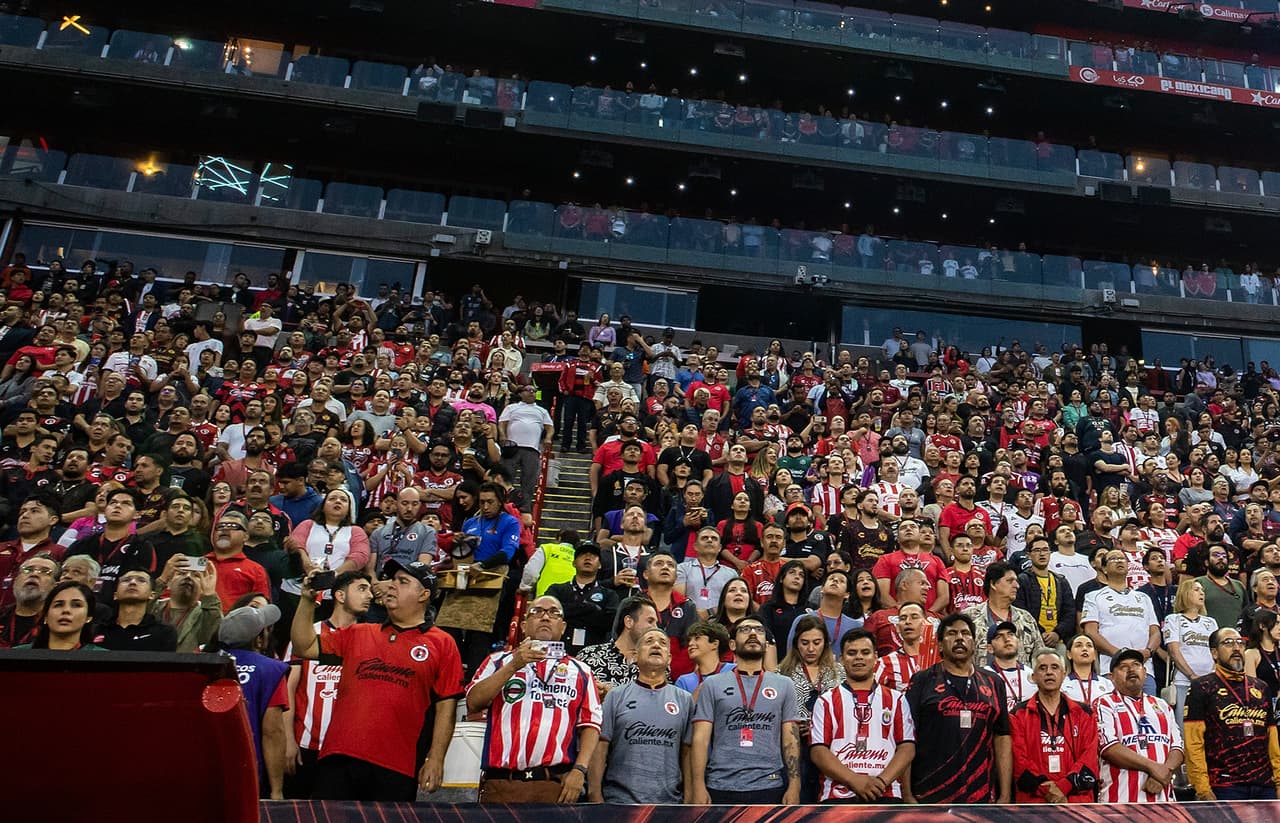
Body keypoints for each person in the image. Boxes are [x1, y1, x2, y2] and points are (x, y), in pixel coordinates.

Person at [290, 560, 463, 801]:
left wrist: (436, 759)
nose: (392, 586)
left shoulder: (443, 643)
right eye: (392, 580)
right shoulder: (359, 632)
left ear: (424, 594)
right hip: (339, 756)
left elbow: (446, 706)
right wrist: (308, 600)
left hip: (397, 765)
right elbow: (303, 645)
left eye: (403, 582)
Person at [467, 595, 601, 804]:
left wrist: (580, 770)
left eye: (554, 613)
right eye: (537, 611)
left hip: (553, 786)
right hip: (501, 785)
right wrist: (513, 665)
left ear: (563, 627)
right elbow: (473, 703)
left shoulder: (581, 670)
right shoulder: (497, 661)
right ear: (523, 625)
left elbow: (590, 725)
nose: (546, 617)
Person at [688, 615, 802, 805]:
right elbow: (700, 738)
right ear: (732, 645)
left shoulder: (784, 685)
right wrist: (698, 786)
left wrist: (795, 785)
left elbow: (791, 738)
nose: (752, 634)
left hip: (770, 784)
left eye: (759, 630)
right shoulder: (712, 684)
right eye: (745, 630)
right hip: (721, 785)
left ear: (766, 644)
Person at [283, 570, 373, 799]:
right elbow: (287, 690)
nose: (369, 595)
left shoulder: (371, 637)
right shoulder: (308, 633)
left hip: (350, 749)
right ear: (340, 596)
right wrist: (288, 740)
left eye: (370, 589)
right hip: (306, 745)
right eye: (362, 588)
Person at [906, 612, 1012, 804]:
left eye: (965, 633)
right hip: (930, 793)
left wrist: (1004, 794)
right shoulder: (922, 680)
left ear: (973, 642)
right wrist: (906, 794)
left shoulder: (994, 682)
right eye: (952, 633)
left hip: (980, 795)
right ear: (939, 644)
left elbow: (1002, 737)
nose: (959, 638)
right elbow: (906, 738)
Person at [588, 626, 693, 804]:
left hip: (669, 804)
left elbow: (687, 752)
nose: (656, 645)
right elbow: (600, 748)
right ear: (635, 656)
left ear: (669, 659)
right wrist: (594, 793)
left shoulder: (684, 699)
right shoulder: (616, 696)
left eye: (663, 643)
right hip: (619, 802)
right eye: (649, 641)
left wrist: (690, 797)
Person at [810, 628, 915, 803]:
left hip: (886, 793)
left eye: (865, 652)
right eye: (852, 653)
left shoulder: (897, 699)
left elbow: (907, 748)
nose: (859, 657)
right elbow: (818, 751)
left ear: (875, 657)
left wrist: (881, 782)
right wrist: (854, 780)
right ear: (842, 659)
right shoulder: (826, 701)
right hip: (837, 795)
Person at [1184, 627, 1280, 800]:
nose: (1236, 648)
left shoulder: (1261, 687)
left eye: (1240, 643)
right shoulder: (1202, 686)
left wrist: (1279, 782)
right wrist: (1202, 788)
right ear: (1214, 653)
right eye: (1228, 643)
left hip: (1265, 785)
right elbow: (1193, 742)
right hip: (1224, 786)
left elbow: (1272, 740)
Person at [214, 603, 289, 800]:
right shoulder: (271, 670)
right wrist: (276, 791)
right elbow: (273, 732)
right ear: (258, 639)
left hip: (207, 768)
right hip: (248, 773)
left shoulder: (203, 665)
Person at [1008, 648, 1100, 803]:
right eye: (1042, 668)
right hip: (1034, 804)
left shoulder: (1084, 713)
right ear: (1034, 676)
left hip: (1075, 802)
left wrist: (1063, 787)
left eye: (1054, 667)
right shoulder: (1018, 714)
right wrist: (1048, 791)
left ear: (1064, 674)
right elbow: (1019, 761)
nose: (1049, 672)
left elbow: (1089, 757)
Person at [1095, 648, 1184, 803]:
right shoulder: (1104, 703)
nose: (1131, 669)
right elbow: (1109, 748)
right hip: (1120, 801)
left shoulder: (1162, 705)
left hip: (1163, 799)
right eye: (1123, 667)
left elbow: (1178, 748)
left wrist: (1164, 772)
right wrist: (1154, 768)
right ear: (1112, 677)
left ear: (1145, 671)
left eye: (1136, 664)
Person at [1082, 548, 1161, 694]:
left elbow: (1155, 632)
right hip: (1112, 667)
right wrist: (1119, 654)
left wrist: (1148, 651)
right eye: (1113, 559)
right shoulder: (1093, 596)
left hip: (1144, 669)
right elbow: (1090, 632)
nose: (1119, 561)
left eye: (1122, 558)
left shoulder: (1143, 598)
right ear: (1104, 568)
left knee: (1148, 713)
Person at [544, 542, 619, 654]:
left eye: (593, 555)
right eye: (582, 554)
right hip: (558, 651)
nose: (588, 557)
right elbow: (549, 613)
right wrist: (592, 609)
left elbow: (609, 623)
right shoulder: (556, 589)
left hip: (595, 654)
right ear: (574, 563)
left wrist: (568, 612)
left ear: (599, 565)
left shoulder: (609, 594)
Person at [1162, 578, 1218, 726]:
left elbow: (1217, 652)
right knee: (1184, 725)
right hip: (1183, 681)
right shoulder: (1173, 619)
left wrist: (1212, 675)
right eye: (1196, 589)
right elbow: (1174, 651)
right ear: (1185, 594)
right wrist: (1192, 675)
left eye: (1202, 591)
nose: (1201, 593)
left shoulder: (1211, 622)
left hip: (1210, 682)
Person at [577, 596, 658, 694]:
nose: (655, 628)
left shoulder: (656, 663)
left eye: (656, 623)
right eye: (650, 621)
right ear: (629, 622)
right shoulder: (589, 655)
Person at [498, 383, 554, 512]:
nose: (531, 392)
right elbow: (502, 423)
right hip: (512, 447)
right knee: (506, 478)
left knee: (529, 481)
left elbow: (550, 427)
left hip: (532, 449)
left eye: (534, 391)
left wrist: (548, 438)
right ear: (521, 393)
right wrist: (502, 435)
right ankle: (503, 505)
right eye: (528, 390)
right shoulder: (512, 407)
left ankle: (525, 509)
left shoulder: (541, 410)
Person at [150, 558, 222, 653]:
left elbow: (212, 633)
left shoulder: (206, 613)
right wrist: (161, 580)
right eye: (181, 573)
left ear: (202, 587)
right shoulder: (153, 607)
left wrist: (209, 594)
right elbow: (137, 609)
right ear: (169, 583)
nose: (188, 577)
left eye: (196, 575)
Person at [99, 569, 178, 652]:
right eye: (126, 580)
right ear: (115, 595)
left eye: (141, 580)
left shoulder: (164, 633)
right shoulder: (98, 629)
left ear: (152, 595)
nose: (132, 582)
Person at [16, 580, 103, 651]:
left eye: (76, 605)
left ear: (88, 617)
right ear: (46, 616)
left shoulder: (102, 657)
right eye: (58, 605)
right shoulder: (17, 654)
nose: (66, 610)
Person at [0, 552, 60, 648]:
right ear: (15, 581)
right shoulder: (2, 615)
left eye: (45, 572)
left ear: (55, 586)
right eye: (28, 570)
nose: (34, 574)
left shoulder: (59, 623)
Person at [985, 621, 1036, 710]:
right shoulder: (984, 676)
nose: (1007, 639)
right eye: (999, 637)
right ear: (990, 648)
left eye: (1010, 634)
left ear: (1018, 641)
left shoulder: (1032, 674)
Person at [674, 620, 735, 692]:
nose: (690, 643)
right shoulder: (684, 681)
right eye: (689, 640)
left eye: (697, 638)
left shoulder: (734, 670)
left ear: (714, 644)